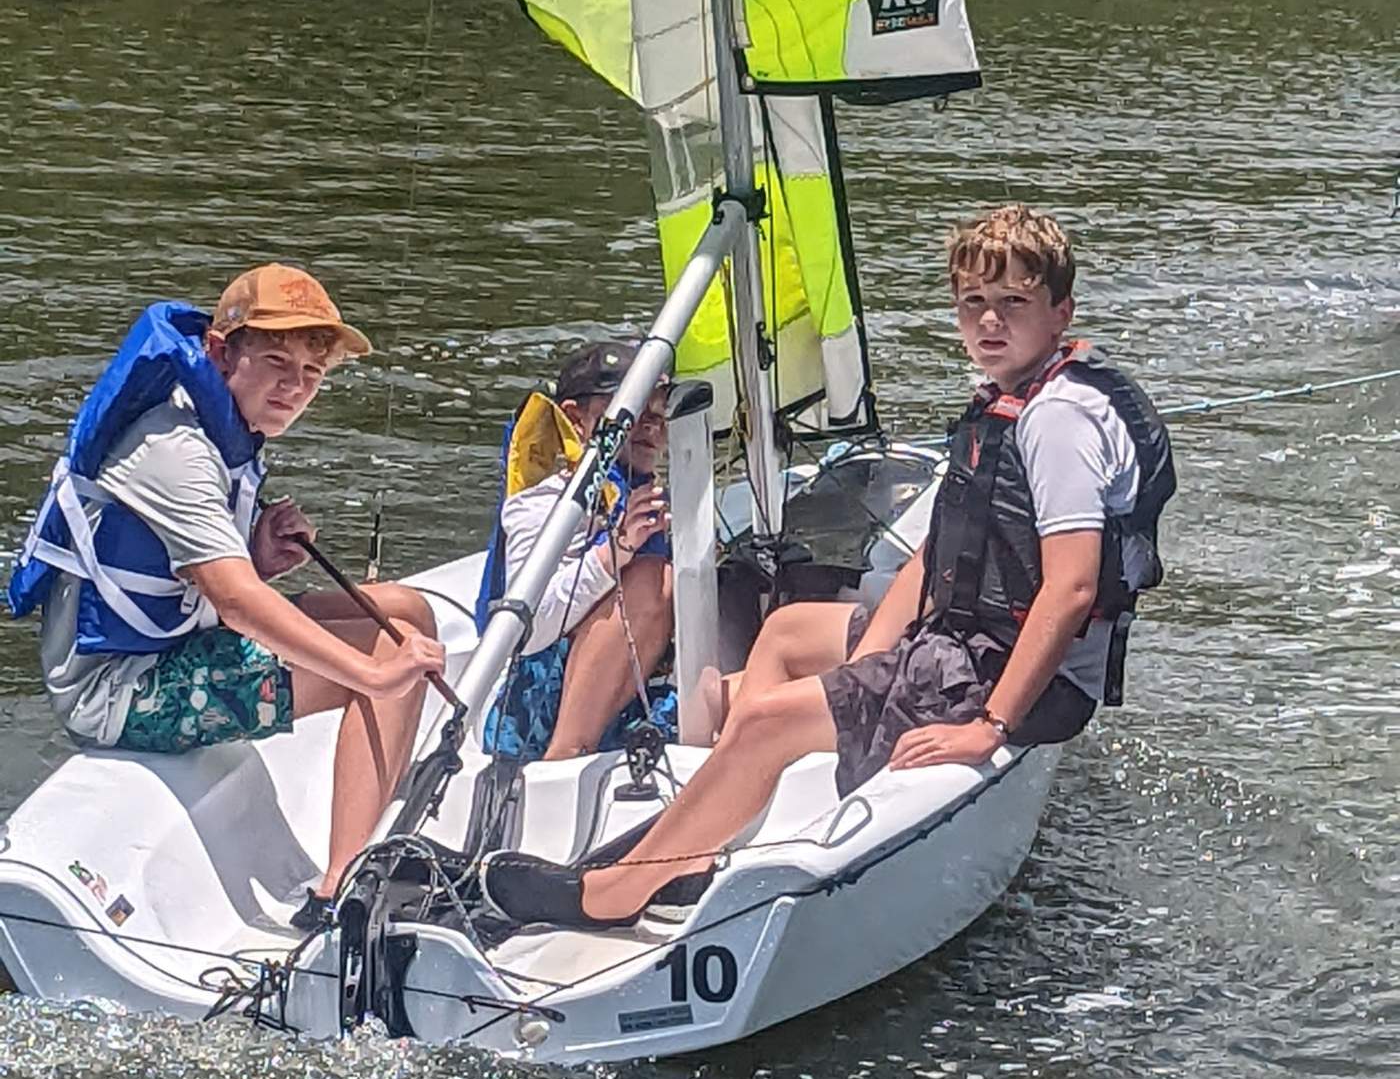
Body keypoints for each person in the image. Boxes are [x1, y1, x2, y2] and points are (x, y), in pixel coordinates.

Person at [481, 205, 1176, 931]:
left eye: (1013, 304)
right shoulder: (1009, 398)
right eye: (973, 304)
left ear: (1060, 311)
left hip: (1013, 679)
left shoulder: (1057, 421)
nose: (989, 323)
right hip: (965, 641)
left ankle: (616, 894)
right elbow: (941, 552)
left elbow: (1072, 588)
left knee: (768, 722)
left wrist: (992, 727)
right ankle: (696, 841)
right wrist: (863, 676)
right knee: (787, 632)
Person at [8, 264, 446, 931]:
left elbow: (200, 585)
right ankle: (342, 893)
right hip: (119, 694)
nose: (294, 387)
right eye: (276, 361)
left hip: (162, 655)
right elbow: (236, 605)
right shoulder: (173, 447)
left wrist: (260, 558)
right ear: (218, 351)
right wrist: (373, 677)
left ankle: (350, 865)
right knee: (384, 653)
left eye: (311, 373)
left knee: (404, 612)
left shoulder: (220, 432)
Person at [476, 340, 674, 761]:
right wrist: (617, 551)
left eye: (658, 415)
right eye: (632, 412)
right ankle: (564, 757)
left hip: (639, 694)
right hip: (537, 709)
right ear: (574, 417)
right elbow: (526, 630)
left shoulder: (652, 499)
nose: (650, 427)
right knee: (650, 580)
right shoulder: (543, 503)